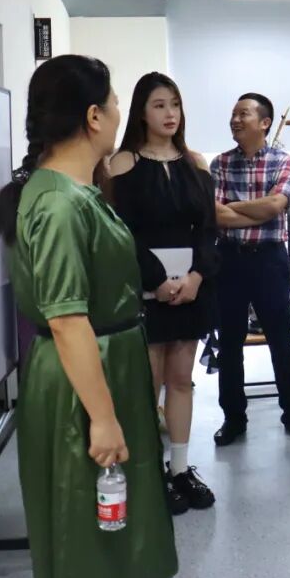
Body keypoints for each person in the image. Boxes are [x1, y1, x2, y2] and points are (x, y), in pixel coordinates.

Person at [0, 55, 177, 578]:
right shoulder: (59, 204)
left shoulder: (78, 192)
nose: (120, 115)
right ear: (93, 116)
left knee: (118, 521)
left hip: (105, 364)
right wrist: (103, 417)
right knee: (87, 524)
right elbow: (68, 320)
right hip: (82, 376)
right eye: (115, 104)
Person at [105, 72, 217, 514]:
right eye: (159, 105)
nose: (170, 113)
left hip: (190, 288)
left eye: (175, 104)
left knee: (182, 380)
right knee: (148, 384)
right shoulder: (122, 163)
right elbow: (122, 233)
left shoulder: (196, 162)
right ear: (141, 112)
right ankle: (150, 472)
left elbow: (207, 229)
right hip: (145, 288)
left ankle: (181, 468)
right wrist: (155, 279)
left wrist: (196, 277)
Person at [211, 93, 290, 446]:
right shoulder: (220, 163)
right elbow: (215, 214)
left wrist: (234, 207)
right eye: (233, 113)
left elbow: (274, 206)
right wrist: (254, 210)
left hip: (270, 259)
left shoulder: (282, 161)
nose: (235, 119)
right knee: (229, 342)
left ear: (265, 122)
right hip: (229, 258)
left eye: (243, 113)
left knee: (281, 340)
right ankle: (233, 417)